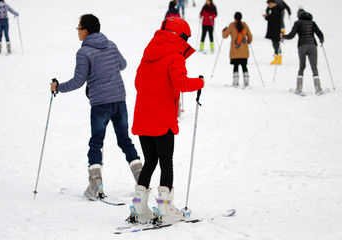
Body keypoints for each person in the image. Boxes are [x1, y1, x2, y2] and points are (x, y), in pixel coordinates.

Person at [50, 14, 142, 201]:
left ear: (86, 30)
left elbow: (77, 81)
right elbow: (123, 65)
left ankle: (95, 186)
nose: (77, 32)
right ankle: (142, 182)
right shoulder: (111, 45)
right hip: (118, 100)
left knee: (96, 143)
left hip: (100, 103)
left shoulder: (84, 52)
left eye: (78, 28)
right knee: (125, 140)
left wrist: (58, 87)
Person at [127, 17, 204, 224]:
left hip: (143, 117)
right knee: (166, 162)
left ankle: (137, 207)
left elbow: (137, 82)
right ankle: (164, 208)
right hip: (162, 120)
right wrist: (200, 82)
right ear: (180, 36)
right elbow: (181, 83)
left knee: (150, 160)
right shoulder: (174, 56)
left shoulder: (149, 51)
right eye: (186, 38)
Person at [281, 8, 324, 95]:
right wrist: (321, 40)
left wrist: (283, 36)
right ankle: (318, 87)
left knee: (302, 66)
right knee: (314, 67)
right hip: (312, 45)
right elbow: (319, 33)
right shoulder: (312, 23)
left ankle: (299, 87)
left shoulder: (298, 23)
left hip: (302, 46)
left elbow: (291, 35)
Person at [223, 12, 253, 87]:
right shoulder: (245, 25)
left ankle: (236, 81)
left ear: (234, 18)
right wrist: (248, 41)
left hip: (235, 50)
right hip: (244, 50)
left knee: (235, 65)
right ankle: (246, 81)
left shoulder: (231, 25)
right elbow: (250, 36)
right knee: (244, 65)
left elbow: (225, 36)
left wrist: (224, 31)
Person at [263, 0, 283, 65]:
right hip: (275, 29)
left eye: (268, 4)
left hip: (275, 29)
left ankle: (278, 58)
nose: (268, 6)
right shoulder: (276, 9)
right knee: (275, 43)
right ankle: (277, 57)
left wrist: (266, 17)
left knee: (276, 43)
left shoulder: (276, 9)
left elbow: (272, 18)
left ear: (271, 3)